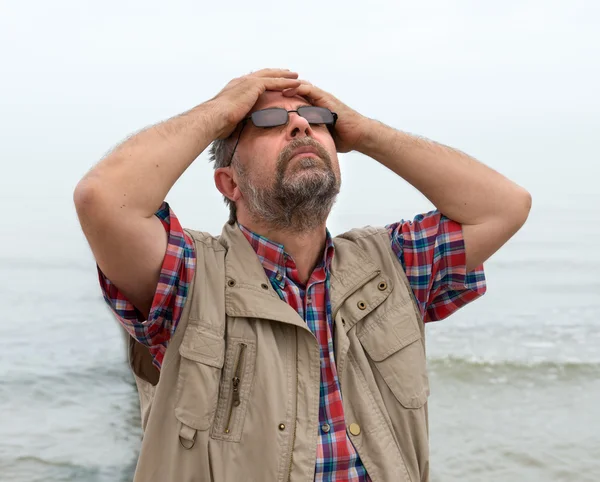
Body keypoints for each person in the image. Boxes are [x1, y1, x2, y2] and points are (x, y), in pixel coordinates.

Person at [74, 68, 531, 482]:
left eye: (316, 119)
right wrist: (220, 111)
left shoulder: (393, 265)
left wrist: (367, 132)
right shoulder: (189, 276)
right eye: (270, 123)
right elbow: (103, 198)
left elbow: (504, 207)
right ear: (230, 184)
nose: (301, 125)